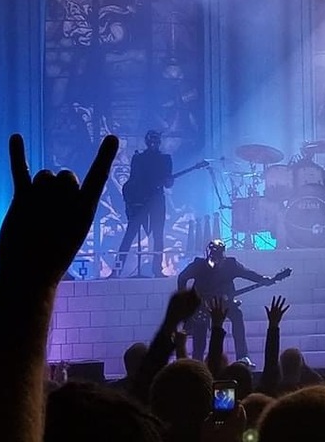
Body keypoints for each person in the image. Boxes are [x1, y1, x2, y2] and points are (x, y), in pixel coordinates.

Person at [177, 240, 286, 364]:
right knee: (200, 335)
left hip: (225, 303)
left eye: (217, 255)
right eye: (212, 255)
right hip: (202, 305)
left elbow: (248, 274)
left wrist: (263, 279)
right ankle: (197, 363)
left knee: (237, 316)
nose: (215, 260)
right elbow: (182, 278)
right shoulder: (198, 265)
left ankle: (242, 356)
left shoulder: (231, 265)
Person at [116, 130, 173, 277]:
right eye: (151, 141)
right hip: (140, 202)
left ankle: (157, 269)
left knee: (158, 235)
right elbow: (132, 181)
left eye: (155, 141)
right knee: (130, 234)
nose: (153, 144)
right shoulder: (138, 158)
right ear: (147, 142)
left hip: (157, 200)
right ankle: (117, 269)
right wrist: (132, 201)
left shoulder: (165, 159)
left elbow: (168, 184)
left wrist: (168, 181)